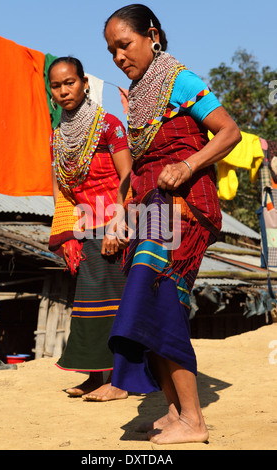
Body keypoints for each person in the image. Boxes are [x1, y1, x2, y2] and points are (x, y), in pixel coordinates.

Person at [104, 4, 242, 443]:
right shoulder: (138, 96)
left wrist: (188, 164)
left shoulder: (178, 78)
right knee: (149, 302)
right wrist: (117, 217)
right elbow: (136, 172)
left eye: (124, 45)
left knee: (161, 298)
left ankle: (195, 421)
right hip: (149, 208)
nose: (118, 57)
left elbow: (229, 132)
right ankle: (175, 411)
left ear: (153, 36)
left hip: (183, 206)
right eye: (111, 51)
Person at [48, 56, 132, 401]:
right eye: (56, 85)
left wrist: (117, 222)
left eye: (70, 82)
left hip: (114, 225)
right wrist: (67, 232)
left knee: (116, 305)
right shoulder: (57, 137)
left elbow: (129, 176)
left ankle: (121, 381)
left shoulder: (109, 125)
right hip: (84, 232)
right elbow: (59, 187)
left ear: (84, 83)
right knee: (88, 307)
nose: (64, 90)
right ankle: (94, 377)